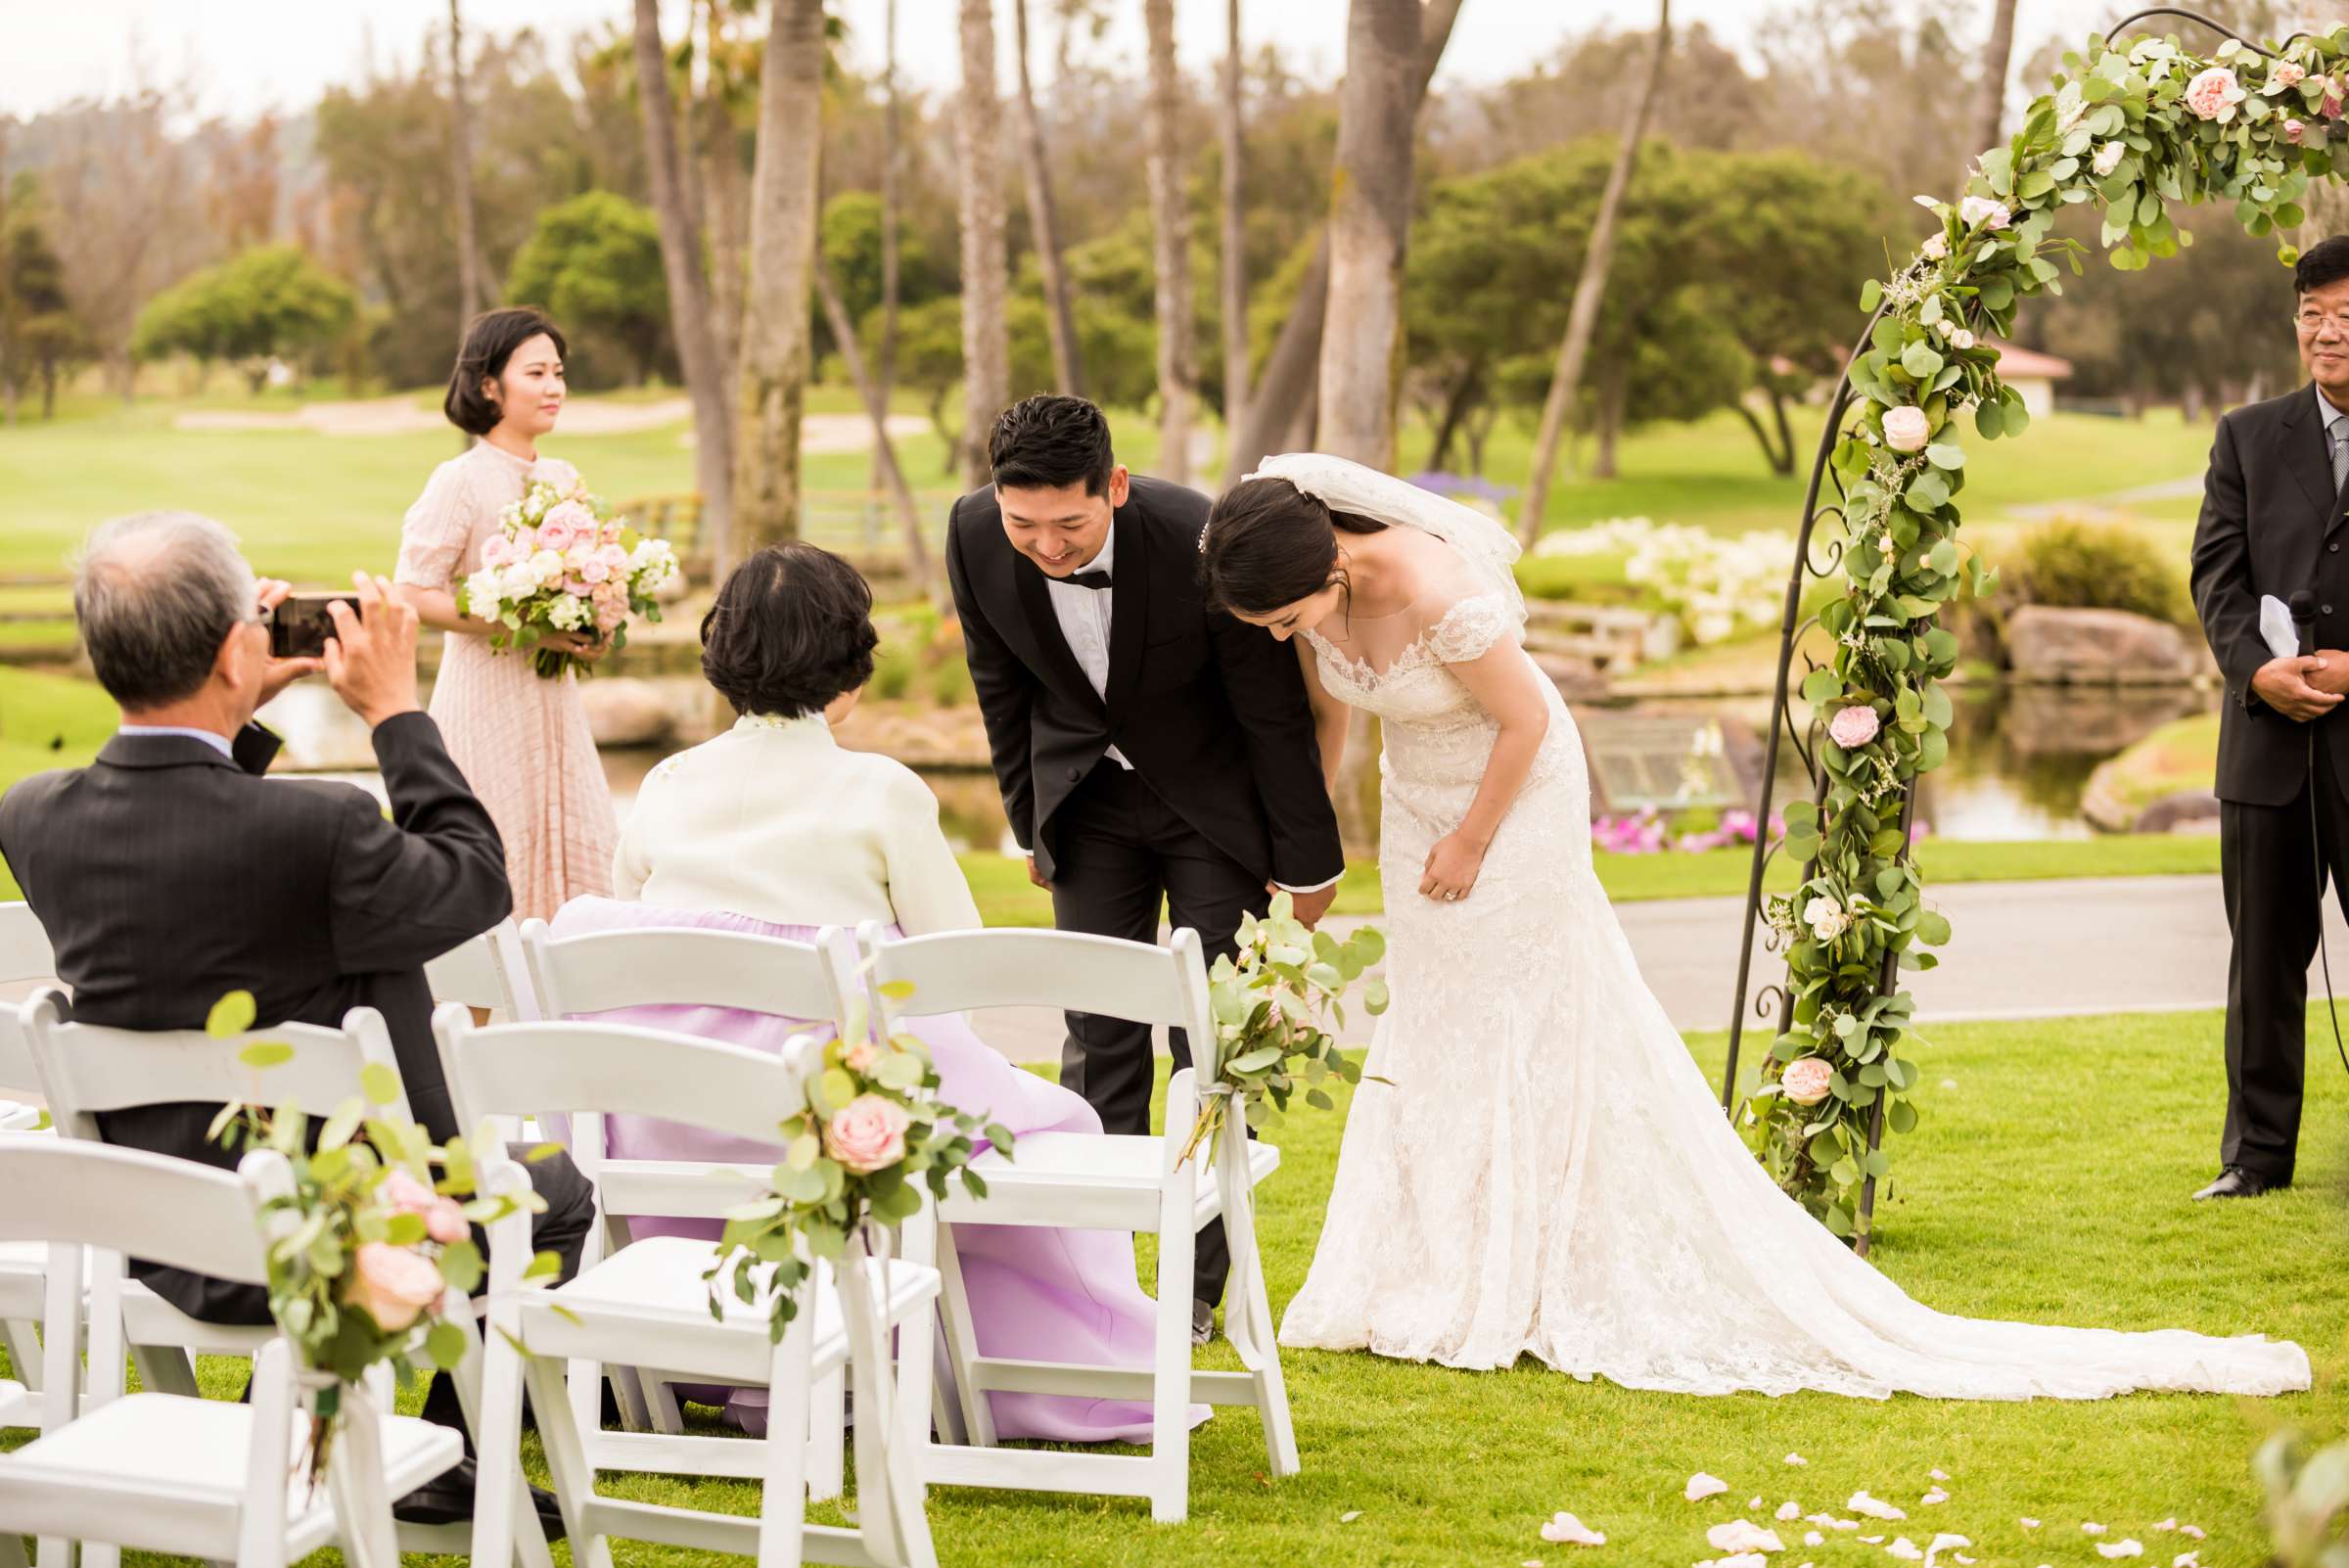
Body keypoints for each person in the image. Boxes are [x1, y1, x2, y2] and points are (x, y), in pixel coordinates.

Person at [1197, 453, 2311, 1399]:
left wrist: (1474, 841)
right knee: (1437, 1013)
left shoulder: (1437, 589)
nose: (1288, 633)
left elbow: (1533, 716)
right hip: (1419, 802)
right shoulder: (1308, 594)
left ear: (1336, 567)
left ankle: (1533, 1267)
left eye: (1287, 618)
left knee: (1525, 1007)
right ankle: (1433, 1268)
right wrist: (1322, 842)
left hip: (1511, 797)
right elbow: (1338, 707)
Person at [0, 512, 593, 1531]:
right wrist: (399, 714)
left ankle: (351, 1434)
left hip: (149, 1234)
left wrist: (233, 709)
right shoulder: (320, 832)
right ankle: (456, 1456)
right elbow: (474, 882)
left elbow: (199, 844)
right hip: (327, 1239)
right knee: (558, 1193)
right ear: (241, 645)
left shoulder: (33, 816)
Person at [550, 541, 1202, 1442]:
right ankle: (1040, 1371)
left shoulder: (663, 785)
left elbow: (631, 943)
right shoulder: (879, 790)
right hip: (835, 1132)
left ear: (723, 661)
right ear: (849, 672)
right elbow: (954, 969)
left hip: (672, 1137)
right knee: (1054, 1123)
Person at [945, 394, 1345, 1345]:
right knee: (1100, 1039)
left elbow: (1271, 711)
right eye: (1023, 523)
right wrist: (1029, 827)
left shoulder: (1194, 535)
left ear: (1115, 489)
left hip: (1210, 810)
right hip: (1082, 808)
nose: (1046, 546)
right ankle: (1095, 1288)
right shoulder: (971, 534)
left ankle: (1198, 1294)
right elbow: (997, 686)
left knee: (1204, 1041)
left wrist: (1308, 861)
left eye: (1070, 524)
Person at [2189, 233, 2349, 1202]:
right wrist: (2258, 673)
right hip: (2266, 749)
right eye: (2313, 316)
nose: (2328, 334)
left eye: (2347, 317)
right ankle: (2255, 1159)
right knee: (2262, 964)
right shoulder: (2245, 437)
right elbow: (2217, 578)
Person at [392, 306, 616, 923]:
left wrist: (590, 630)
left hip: (553, 701)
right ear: (489, 385)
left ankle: (557, 1013)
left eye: (559, 373)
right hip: (483, 698)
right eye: (536, 373)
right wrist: (512, 620)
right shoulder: (459, 480)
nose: (554, 388)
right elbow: (412, 591)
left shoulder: (564, 478)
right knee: (494, 861)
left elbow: (585, 584)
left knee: (578, 859)